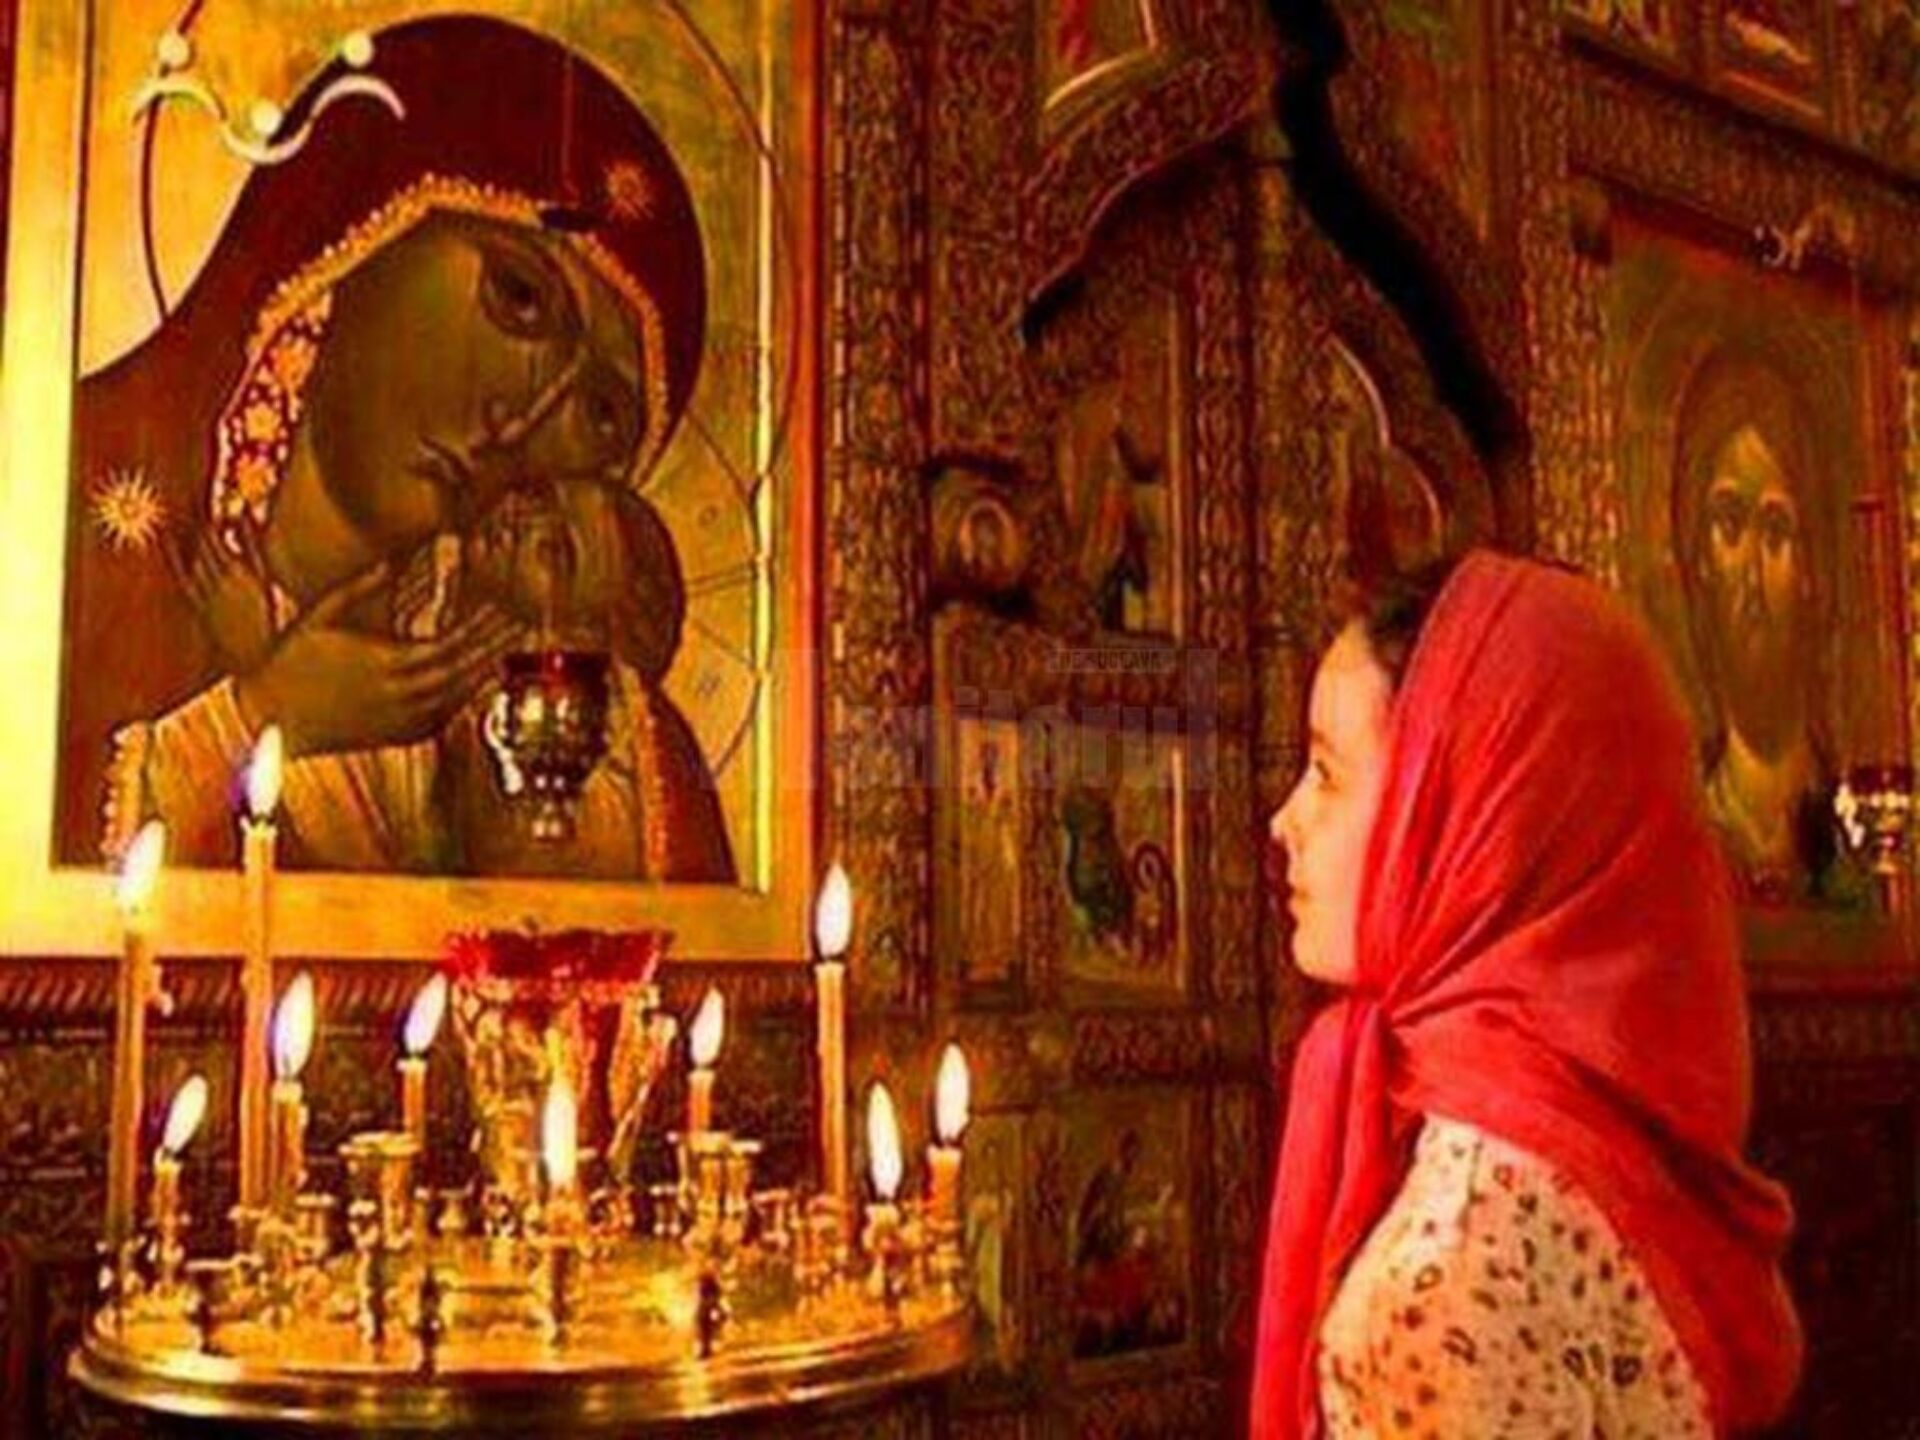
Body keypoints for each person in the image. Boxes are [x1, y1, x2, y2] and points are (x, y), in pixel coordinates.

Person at [62, 16, 731, 878]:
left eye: (598, 413)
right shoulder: (62, 506)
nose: (522, 425)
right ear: (365, 225)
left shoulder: (584, 734)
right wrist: (257, 713)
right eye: (520, 298)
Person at [1251, 550, 1800, 1438]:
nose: (1285, 821)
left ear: (1469, 810)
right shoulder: (1619, 1145)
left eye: (1327, 772)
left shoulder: (1447, 1274)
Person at [1672, 352, 1832, 900]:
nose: (1752, 573)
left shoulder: (1844, 808)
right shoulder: (1681, 808)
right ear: (1699, 558)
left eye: (1777, 530)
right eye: (1729, 524)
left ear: (1809, 569)